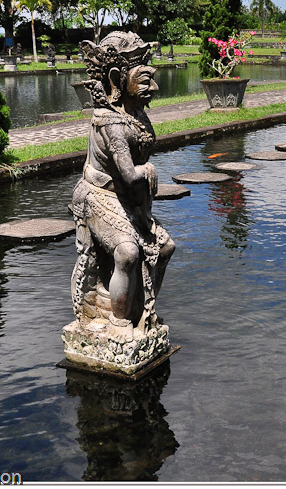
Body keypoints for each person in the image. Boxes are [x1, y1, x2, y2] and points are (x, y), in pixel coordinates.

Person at [70, 31, 175, 342]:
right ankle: (118, 322)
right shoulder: (111, 122)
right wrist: (148, 169)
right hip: (98, 194)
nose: (154, 88)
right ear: (117, 79)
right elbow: (129, 174)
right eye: (145, 80)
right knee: (128, 252)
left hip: (127, 197)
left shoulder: (135, 115)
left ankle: (141, 309)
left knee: (165, 247)